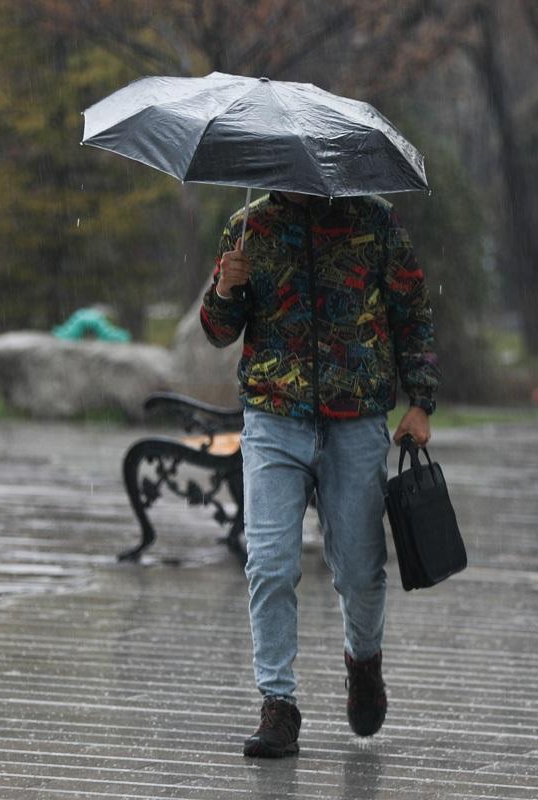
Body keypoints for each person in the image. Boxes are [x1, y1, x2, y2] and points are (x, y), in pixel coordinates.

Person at [199, 190, 439, 758]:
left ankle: (363, 661)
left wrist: (422, 401)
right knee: (269, 562)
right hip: (273, 419)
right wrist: (225, 289)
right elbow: (218, 331)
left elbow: (412, 311)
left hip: (356, 420)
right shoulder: (250, 225)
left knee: (360, 570)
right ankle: (277, 703)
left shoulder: (374, 220)